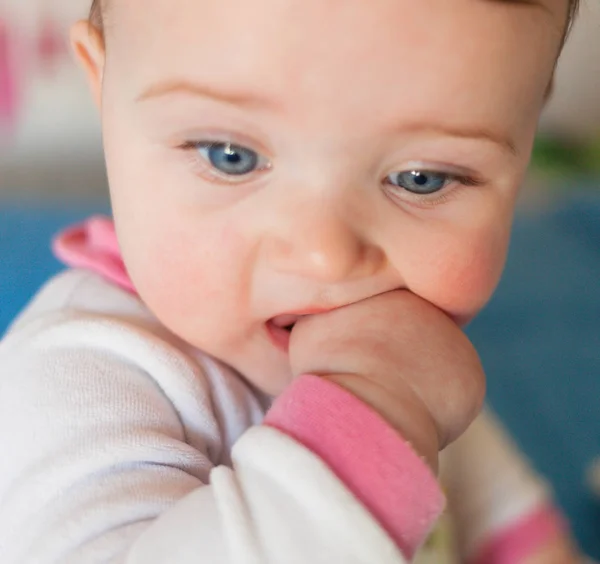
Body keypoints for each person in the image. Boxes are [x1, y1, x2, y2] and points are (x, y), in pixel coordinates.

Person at [0, 0, 582, 562]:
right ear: (105, 96)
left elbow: (487, 499)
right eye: (232, 155)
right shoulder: (80, 383)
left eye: (422, 178)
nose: (325, 258)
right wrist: (373, 410)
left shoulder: (401, 354)